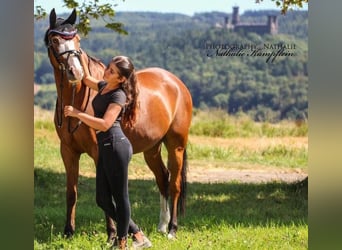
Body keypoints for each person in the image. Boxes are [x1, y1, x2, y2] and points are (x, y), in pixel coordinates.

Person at [64, 55, 152, 250]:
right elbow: (86, 79)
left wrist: (77, 113)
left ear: (121, 79)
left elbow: (104, 124)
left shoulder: (118, 96)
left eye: (111, 71)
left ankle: (122, 244)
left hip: (116, 147)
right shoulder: (105, 86)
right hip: (105, 148)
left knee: (121, 198)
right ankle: (138, 234)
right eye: (108, 67)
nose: (106, 71)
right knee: (102, 199)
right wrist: (80, 55)